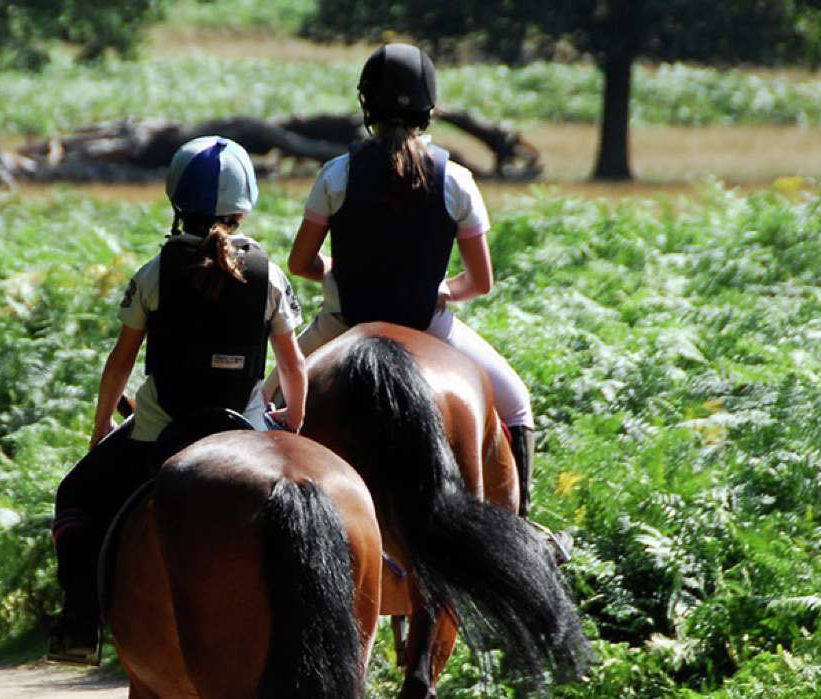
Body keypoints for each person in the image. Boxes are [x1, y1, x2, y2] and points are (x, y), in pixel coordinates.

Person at [48, 136, 309, 663]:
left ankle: (79, 625)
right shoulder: (271, 277)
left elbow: (120, 363)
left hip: (158, 430)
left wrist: (101, 427)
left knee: (74, 496)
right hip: (246, 429)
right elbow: (293, 366)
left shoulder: (153, 275)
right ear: (243, 210)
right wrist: (295, 422)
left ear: (176, 204)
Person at [279, 43, 539, 514]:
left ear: (367, 107)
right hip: (426, 325)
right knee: (517, 405)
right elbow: (480, 282)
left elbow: (301, 262)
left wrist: (331, 270)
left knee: (262, 403)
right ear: (429, 109)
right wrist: (442, 290)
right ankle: (525, 532)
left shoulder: (336, 175)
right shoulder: (456, 179)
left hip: (342, 324)